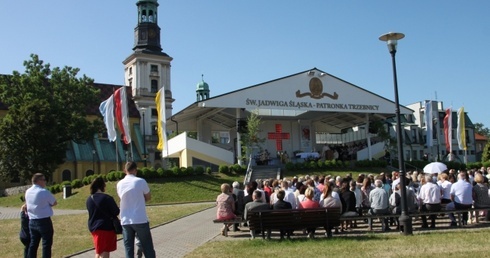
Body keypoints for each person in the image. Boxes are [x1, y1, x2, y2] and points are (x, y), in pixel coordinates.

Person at [117, 162, 156, 258]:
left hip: (125, 219)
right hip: (139, 218)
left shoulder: (119, 184)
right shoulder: (140, 181)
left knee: (129, 249)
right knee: (147, 247)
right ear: (135, 170)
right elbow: (148, 197)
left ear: (125, 171)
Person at [86, 177, 120, 258]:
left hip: (94, 227)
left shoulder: (89, 199)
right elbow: (116, 212)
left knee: (99, 251)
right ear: (102, 186)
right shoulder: (107, 198)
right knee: (104, 252)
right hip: (106, 227)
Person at [25, 173, 57, 258]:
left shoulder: (28, 191)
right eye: (44, 180)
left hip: (32, 220)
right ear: (39, 181)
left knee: (33, 244)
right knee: (46, 244)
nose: (45, 182)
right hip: (44, 221)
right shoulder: (43, 191)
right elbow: (54, 202)